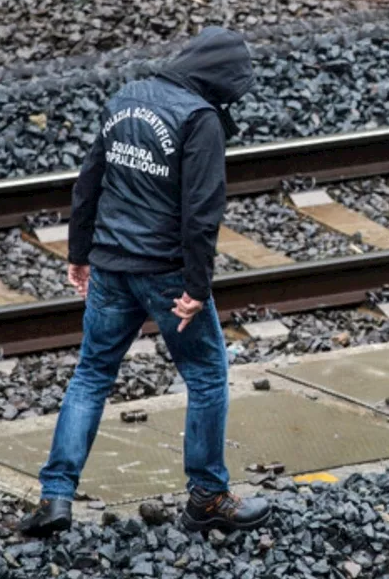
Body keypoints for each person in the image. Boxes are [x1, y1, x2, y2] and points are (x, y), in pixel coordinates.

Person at [17, 27, 272, 536]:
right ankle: (207, 496)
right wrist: (197, 288)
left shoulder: (128, 97)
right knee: (206, 377)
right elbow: (201, 213)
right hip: (166, 273)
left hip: (112, 266)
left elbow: (90, 180)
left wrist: (80, 252)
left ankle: (56, 498)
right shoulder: (199, 120)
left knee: (91, 375)